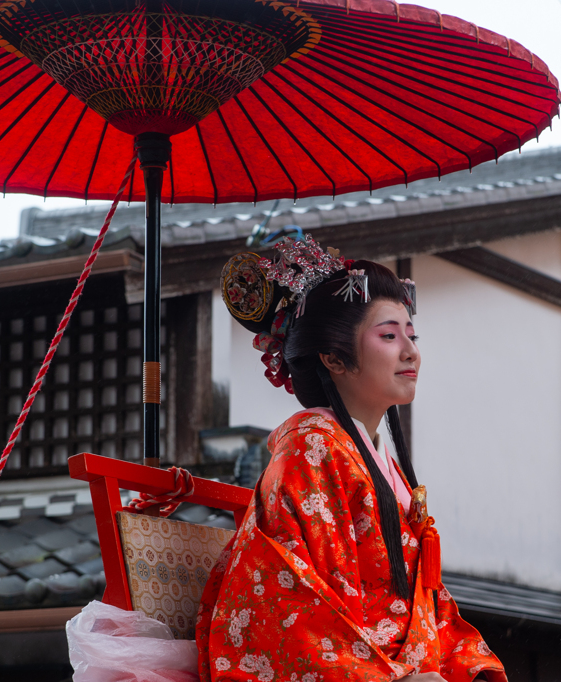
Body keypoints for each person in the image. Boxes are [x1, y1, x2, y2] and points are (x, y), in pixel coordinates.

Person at [196, 237, 505, 682]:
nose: (410, 351)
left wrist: (468, 667)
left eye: (411, 335)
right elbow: (298, 603)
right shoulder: (311, 450)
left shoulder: (374, 458)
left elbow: (427, 607)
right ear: (333, 358)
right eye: (388, 335)